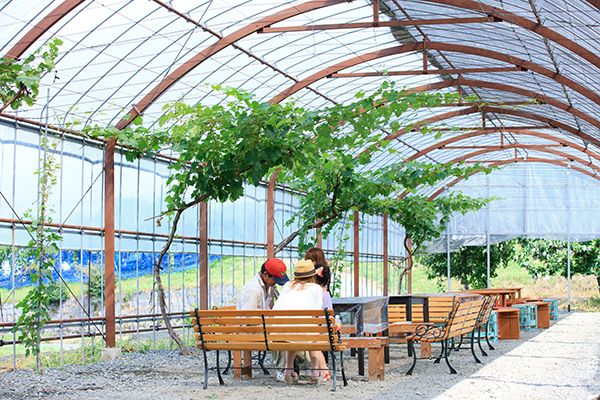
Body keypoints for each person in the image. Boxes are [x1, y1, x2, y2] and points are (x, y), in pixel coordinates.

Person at [273, 259, 325, 384]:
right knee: (313, 332)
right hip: (304, 333)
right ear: (312, 275)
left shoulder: (287, 286)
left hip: (281, 333)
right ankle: (315, 372)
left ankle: (288, 371)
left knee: (293, 330)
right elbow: (317, 313)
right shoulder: (316, 288)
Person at [305, 247, 333, 381]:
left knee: (313, 343)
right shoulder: (325, 293)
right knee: (314, 342)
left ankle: (323, 371)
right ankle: (315, 373)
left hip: (318, 329)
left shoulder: (314, 293)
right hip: (326, 328)